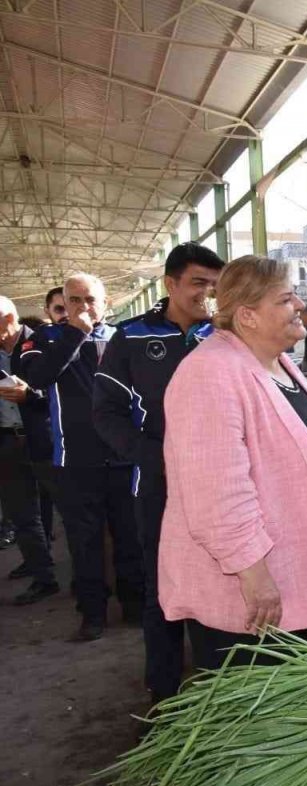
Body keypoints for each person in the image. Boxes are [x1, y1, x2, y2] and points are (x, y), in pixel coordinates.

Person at [160, 256, 307, 670]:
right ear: (247, 316)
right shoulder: (209, 374)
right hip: (252, 605)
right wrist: (253, 576)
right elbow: (216, 494)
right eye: (284, 298)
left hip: (292, 582)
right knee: (255, 722)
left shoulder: (278, 364)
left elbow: (292, 466)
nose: (299, 304)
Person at [92, 242, 222, 701]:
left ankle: (218, 693)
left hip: (222, 487)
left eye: (214, 284)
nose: (207, 293)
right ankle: (163, 696)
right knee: (162, 591)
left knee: (220, 587)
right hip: (158, 487)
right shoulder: (129, 338)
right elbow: (105, 413)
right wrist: (153, 455)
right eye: (197, 283)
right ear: (170, 285)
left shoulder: (224, 336)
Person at [17, 273, 143, 640]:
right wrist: (76, 332)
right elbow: (39, 377)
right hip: (75, 461)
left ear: (106, 303)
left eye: (90, 300)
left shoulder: (123, 338)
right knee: (84, 542)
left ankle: (134, 605)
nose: (83, 307)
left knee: (130, 536)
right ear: (63, 304)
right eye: (74, 300)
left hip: (124, 457)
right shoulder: (47, 338)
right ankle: (92, 614)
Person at [0, 296, 58, 605]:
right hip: (8, 441)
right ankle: (42, 576)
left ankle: (88, 579)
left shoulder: (42, 342)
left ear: (9, 320)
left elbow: (61, 391)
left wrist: (30, 396)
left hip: (44, 439)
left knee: (69, 509)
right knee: (22, 513)